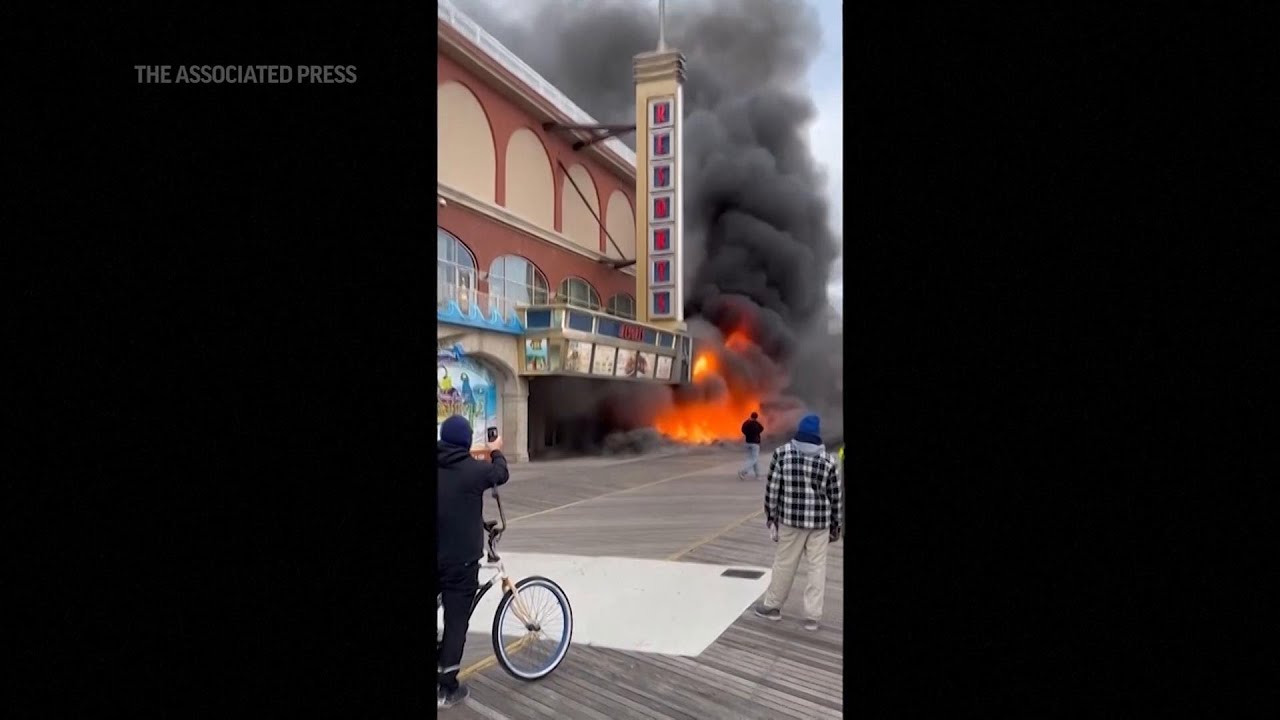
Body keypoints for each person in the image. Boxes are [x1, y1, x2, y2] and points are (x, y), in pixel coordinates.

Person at [437, 414, 510, 710]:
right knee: (456, 623)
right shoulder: (473, 471)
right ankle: (445, 688)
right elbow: (501, 473)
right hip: (460, 563)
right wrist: (496, 449)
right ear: (466, 441)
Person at [754, 414, 842, 631]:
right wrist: (836, 525)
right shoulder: (829, 460)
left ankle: (773, 607)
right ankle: (812, 617)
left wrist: (771, 517)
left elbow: (773, 489)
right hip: (819, 524)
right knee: (817, 568)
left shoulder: (782, 454)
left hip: (790, 521)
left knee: (784, 563)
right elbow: (835, 495)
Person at [738, 411, 765, 480]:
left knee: (753, 459)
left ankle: (757, 475)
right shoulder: (756, 423)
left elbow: (742, 429)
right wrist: (756, 434)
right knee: (753, 459)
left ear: (751, 416)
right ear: (756, 417)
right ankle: (743, 472)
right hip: (755, 443)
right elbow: (762, 428)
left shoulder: (746, 422)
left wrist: (747, 434)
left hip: (747, 443)